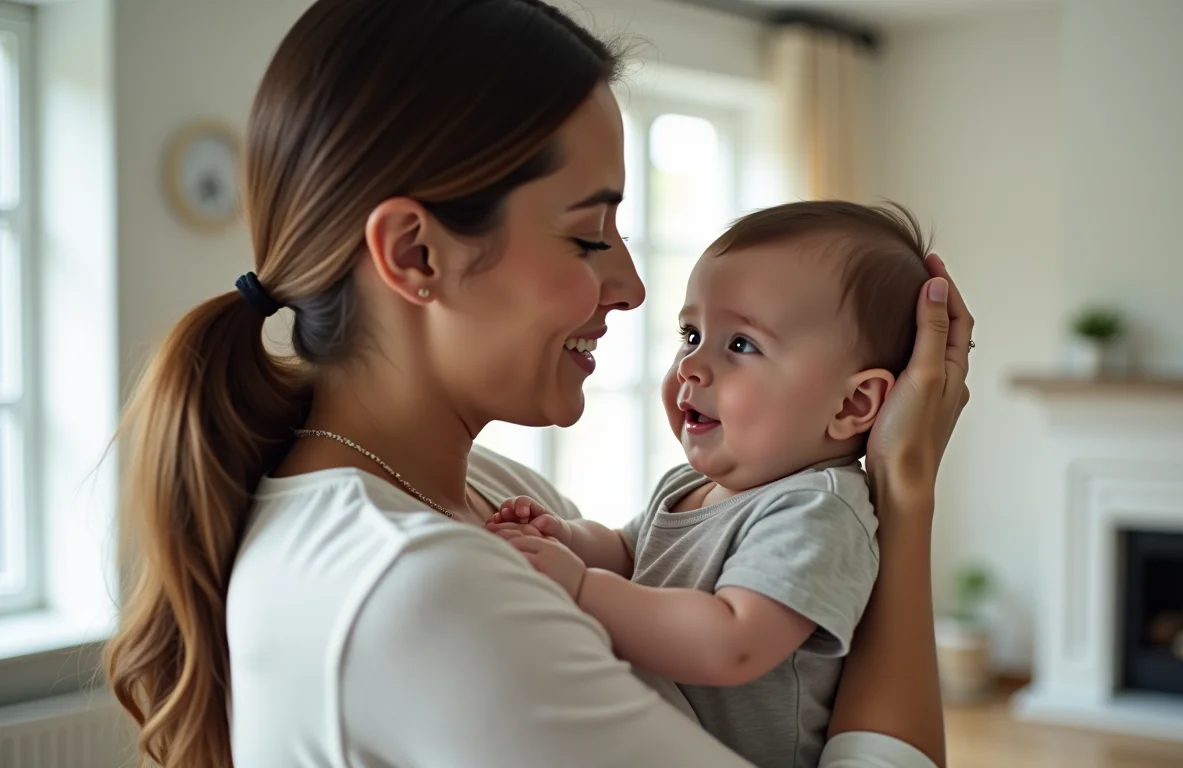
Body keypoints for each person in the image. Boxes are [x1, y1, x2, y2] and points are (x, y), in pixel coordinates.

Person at [103, 1, 974, 767]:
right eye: (589, 237)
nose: (631, 286)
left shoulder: (483, 495)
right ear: (415, 254)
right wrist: (906, 495)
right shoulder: (421, 590)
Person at [487, 201, 932, 768]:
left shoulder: (817, 510)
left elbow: (734, 642)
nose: (691, 367)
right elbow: (631, 552)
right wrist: (566, 539)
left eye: (741, 344)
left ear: (852, 403)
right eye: (691, 333)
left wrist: (579, 588)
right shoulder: (687, 485)